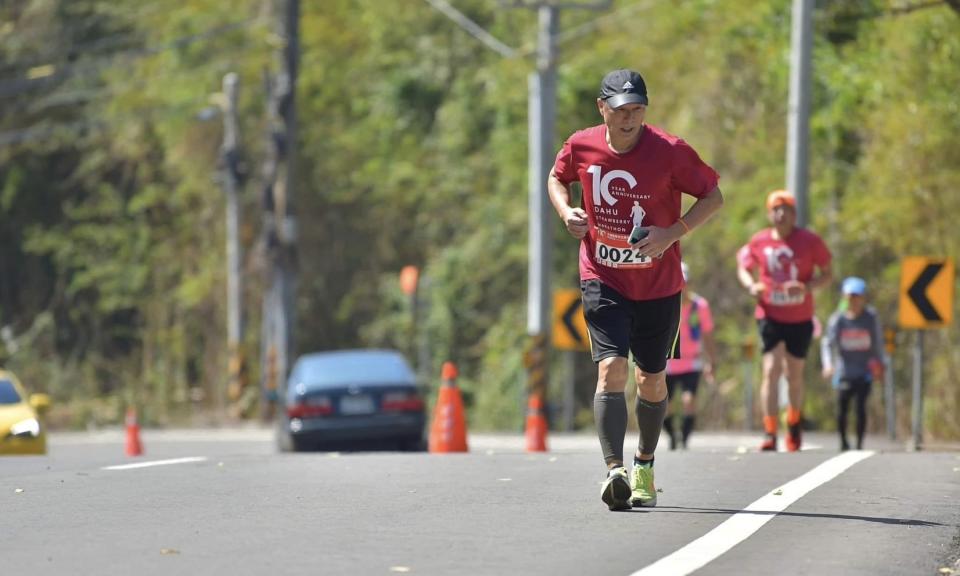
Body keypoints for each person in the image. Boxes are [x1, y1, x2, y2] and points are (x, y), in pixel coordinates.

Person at [547, 69, 723, 511]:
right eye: (621, 109)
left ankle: (644, 463)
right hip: (602, 277)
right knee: (611, 370)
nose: (629, 119)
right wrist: (566, 210)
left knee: (652, 378)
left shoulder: (669, 151)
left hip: (659, 284)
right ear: (601, 108)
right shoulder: (581, 144)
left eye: (638, 109)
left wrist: (673, 232)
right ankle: (614, 471)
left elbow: (713, 196)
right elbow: (556, 177)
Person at [736, 190, 832, 452]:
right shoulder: (760, 241)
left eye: (786, 209)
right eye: (776, 209)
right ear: (769, 214)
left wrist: (806, 287)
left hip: (800, 317)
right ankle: (769, 431)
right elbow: (743, 267)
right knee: (770, 370)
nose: (781, 214)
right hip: (769, 314)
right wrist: (751, 285)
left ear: (794, 215)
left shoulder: (810, 241)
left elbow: (827, 274)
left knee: (794, 375)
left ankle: (793, 422)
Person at [820, 277, 885, 451]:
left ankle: (859, 444)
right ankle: (843, 442)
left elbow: (878, 343)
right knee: (842, 408)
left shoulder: (870, 317)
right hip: (844, 372)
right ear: (844, 298)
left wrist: (880, 364)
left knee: (861, 408)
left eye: (857, 297)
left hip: (864, 372)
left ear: (863, 298)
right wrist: (828, 365)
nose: (853, 301)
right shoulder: (838, 319)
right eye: (850, 297)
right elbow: (827, 343)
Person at [663, 262, 718, 450]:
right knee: (665, 406)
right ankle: (671, 435)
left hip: (691, 362)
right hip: (667, 363)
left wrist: (712, 361)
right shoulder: (664, 305)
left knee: (689, 401)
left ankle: (684, 440)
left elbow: (708, 335)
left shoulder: (700, 306)